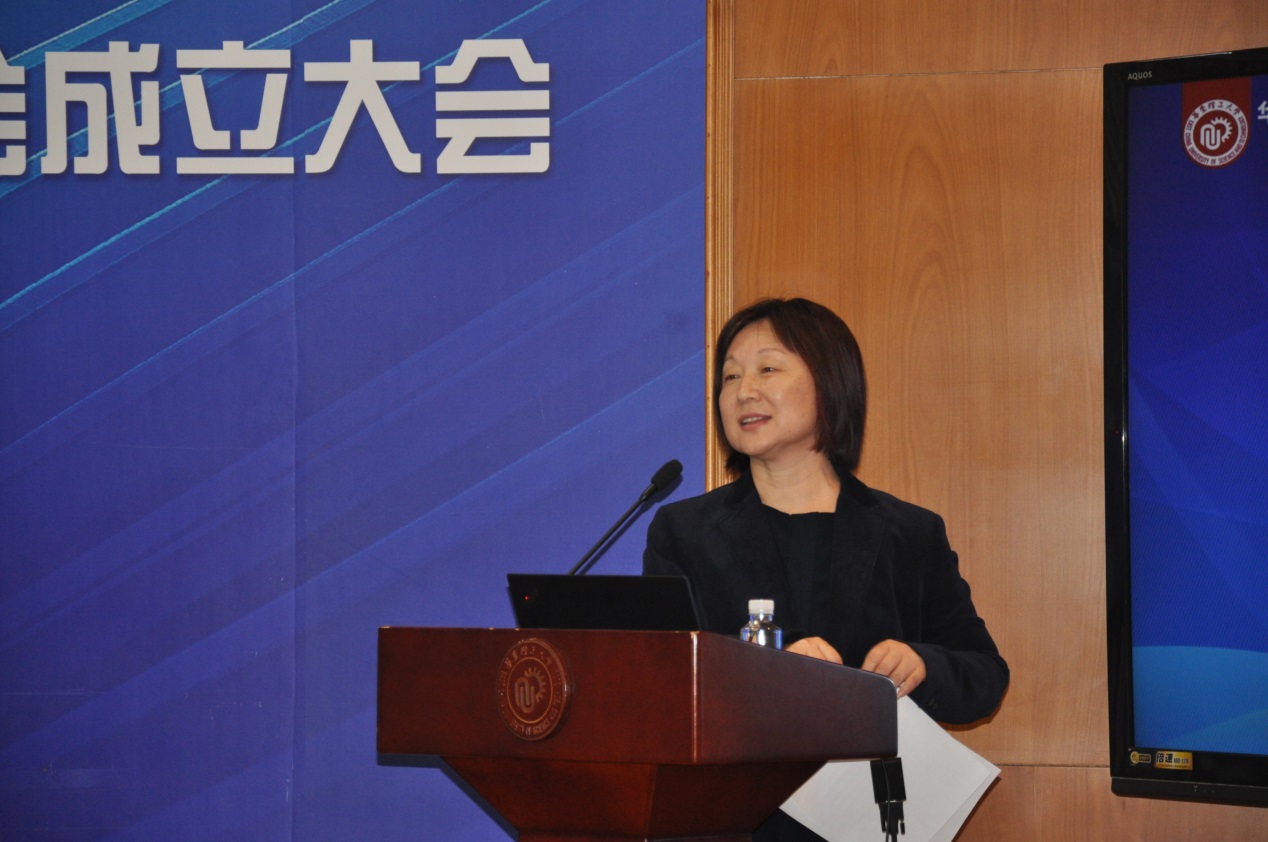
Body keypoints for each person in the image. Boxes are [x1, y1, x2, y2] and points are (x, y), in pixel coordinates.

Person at [642, 297, 1008, 841]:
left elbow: (985, 675)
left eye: (768, 368)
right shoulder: (684, 532)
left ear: (830, 382)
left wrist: (922, 664)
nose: (743, 391)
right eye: (730, 376)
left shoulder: (908, 533)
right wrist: (765, 672)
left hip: (867, 820)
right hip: (732, 821)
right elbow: (661, 683)